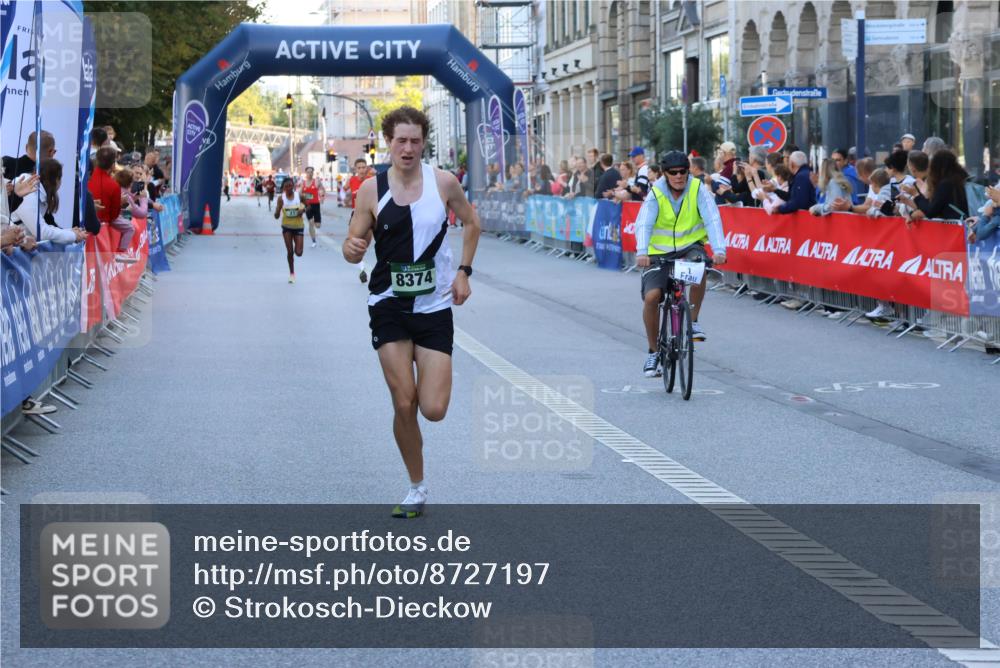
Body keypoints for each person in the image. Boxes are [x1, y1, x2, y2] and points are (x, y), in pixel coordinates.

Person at [342, 106, 481, 519]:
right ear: (388, 142)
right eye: (400, 140)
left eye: (415, 141)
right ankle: (416, 487)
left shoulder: (443, 182)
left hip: (435, 305)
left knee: (433, 409)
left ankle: (417, 436)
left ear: (424, 143)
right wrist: (352, 250)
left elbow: (472, 223)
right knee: (404, 403)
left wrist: (463, 272)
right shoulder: (371, 190)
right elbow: (353, 243)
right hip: (388, 305)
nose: (407, 148)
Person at [635, 150, 728, 376]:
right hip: (658, 252)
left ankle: (693, 320)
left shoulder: (697, 189)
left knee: (699, 267)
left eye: (683, 172)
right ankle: (653, 353)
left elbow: (712, 218)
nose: (678, 176)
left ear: (688, 171)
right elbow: (645, 223)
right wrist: (642, 251)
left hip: (689, 246)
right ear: (665, 174)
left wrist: (719, 249)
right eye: (673, 172)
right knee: (652, 297)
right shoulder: (656, 192)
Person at [899, 149, 969, 221]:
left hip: (954, 226)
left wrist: (916, 194)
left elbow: (931, 211)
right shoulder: (960, 179)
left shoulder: (945, 184)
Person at [274, 176, 304, 283]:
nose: (289, 188)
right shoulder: (281, 198)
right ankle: (292, 274)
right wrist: (278, 209)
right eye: (286, 186)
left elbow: (308, 206)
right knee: (290, 251)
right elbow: (276, 216)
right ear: (283, 188)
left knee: (299, 253)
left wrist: (303, 209)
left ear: (294, 186)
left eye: (291, 186)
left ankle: (297, 245)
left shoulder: (299, 196)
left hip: (298, 226)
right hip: (286, 227)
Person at [346, 158, 371, 283]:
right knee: (358, 244)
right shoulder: (352, 180)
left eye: (364, 167)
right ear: (356, 169)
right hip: (356, 216)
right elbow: (345, 190)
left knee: (366, 244)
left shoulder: (371, 181)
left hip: (372, 216)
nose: (362, 170)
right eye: (359, 167)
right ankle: (362, 269)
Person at [300, 166, 325, 248]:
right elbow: (300, 194)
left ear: (313, 173)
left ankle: (314, 221)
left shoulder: (316, 181)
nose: (309, 173)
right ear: (305, 173)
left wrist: (322, 196)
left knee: (318, 225)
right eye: (308, 172)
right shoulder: (302, 183)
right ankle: (313, 240)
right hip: (307, 206)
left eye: (311, 172)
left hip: (316, 205)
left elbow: (322, 189)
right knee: (311, 223)